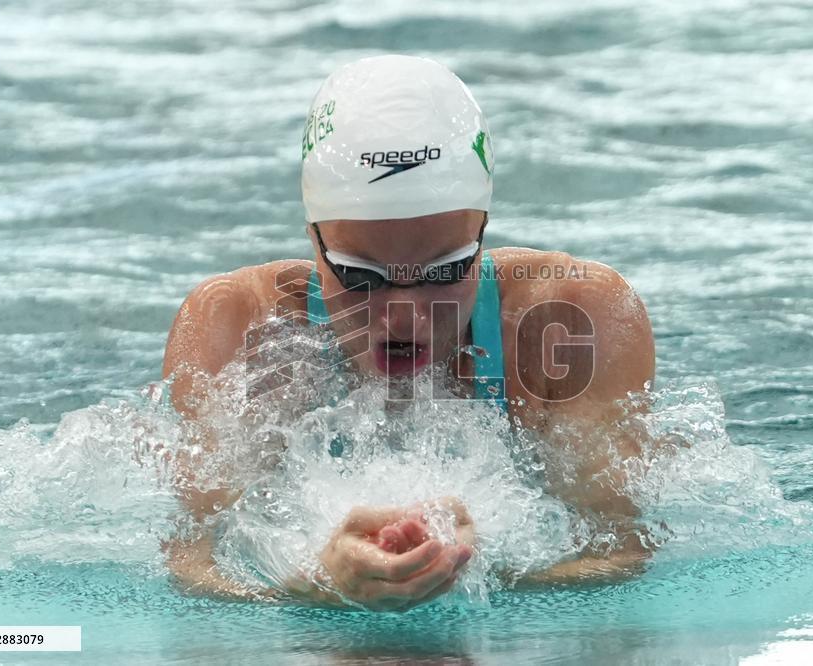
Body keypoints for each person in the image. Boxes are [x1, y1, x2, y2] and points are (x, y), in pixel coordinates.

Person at [162, 55, 656, 612]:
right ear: (312, 238)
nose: (403, 319)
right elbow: (193, 563)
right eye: (360, 277)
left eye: (445, 271)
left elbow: (624, 551)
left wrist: (474, 568)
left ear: (483, 231)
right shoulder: (239, 324)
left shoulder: (573, 316)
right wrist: (317, 583)